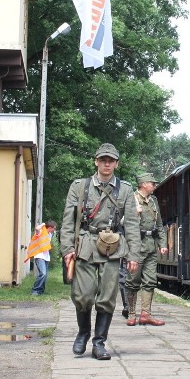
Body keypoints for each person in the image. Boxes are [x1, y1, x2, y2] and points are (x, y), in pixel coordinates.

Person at [60, 143, 141, 360]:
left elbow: (132, 224)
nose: (107, 163)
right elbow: (68, 221)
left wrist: (134, 255)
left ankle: (99, 343)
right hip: (86, 244)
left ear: (116, 164)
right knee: (83, 296)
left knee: (106, 298)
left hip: (113, 247)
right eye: (103, 159)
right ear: (96, 161)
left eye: (111, 160)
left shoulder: (125, 189)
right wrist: (67, 248)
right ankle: (83, 333)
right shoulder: (79, 187)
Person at [125, 172, 169, 326]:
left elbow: (159, 224)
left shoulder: (153, 201)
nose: (154, 186)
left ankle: (146, 315)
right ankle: (131, 314)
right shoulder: (131, 199)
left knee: (150, 281)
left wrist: (163, 244)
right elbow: (121, 221)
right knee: (132, 281)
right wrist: (132, 213)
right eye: (152, 183)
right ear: (144, 184)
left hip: (151, 246)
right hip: (135, 246)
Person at [25, 220, 57, 295]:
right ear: (50, 227)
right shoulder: (41, 231)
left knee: (45, 276)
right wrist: (43, 224)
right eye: (54, 228)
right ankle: (35, 291)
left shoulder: (49, 234)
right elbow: (37, 229)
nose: (54, 230)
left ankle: (41, 291)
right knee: (43, 274)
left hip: (46, 257)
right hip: (39, 256)